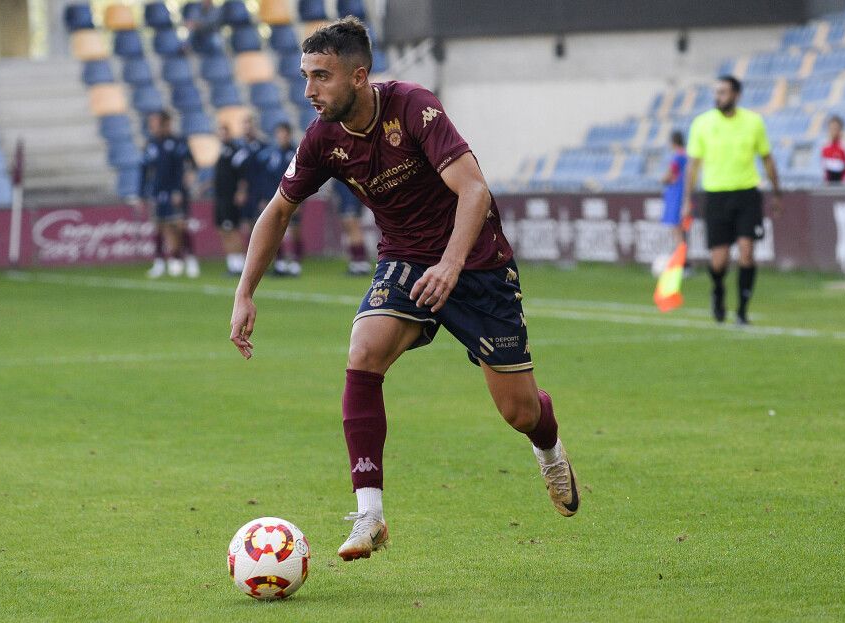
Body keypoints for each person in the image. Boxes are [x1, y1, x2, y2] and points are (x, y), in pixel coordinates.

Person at [229, 17, 579, 562]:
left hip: (477, 263)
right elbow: (277, 211)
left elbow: (475, 191)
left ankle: (548, 443)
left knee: (518, 411)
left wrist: (451, 264)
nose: (309, 92)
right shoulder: (323, 138)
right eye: (305, 77)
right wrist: (245, 292)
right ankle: (369, 515)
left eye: (321, 77)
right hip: (406, 262)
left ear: (359, 75)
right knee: (363, 353)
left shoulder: (415, 107)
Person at [682, 75, 782, 325]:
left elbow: (767, 158)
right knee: (719, 259)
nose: (719, 97)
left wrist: (777, 191)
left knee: (747, 252)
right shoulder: (702, 124)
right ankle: (718, 290)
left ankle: (742, 311)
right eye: (717, 92)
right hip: (716, 195)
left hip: (747, 193)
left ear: (736, 95)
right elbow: (693, 165)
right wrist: (687, 198)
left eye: (724, 92)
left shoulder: (753, 122)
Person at [138, 110, 200, 278]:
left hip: (176, 191)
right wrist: (141, 194)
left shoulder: (178, 142)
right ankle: (160, 262)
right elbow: (144, 170)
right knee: (159, 227)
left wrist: (182, 186)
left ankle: (190, 260)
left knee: (179, 226)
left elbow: (191, 164)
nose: (152, 126)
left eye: (155, 123)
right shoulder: (151, 144)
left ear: (166, 123)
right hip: (158, 192)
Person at [255, 122, 302, 276]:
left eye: (284, 133)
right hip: (273, 198)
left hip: (293, 198)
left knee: (293, 229)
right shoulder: (271, 154)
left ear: (289, 135)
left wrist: (301, 199)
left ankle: (295, 261)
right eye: (279, 133)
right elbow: (265, 178)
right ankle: (280, 262)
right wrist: (264, 198)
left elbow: (303, 178)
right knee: (275, 230)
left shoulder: (297, 153)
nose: (281, 137)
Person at [213, 124, 249, 275]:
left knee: (232, 230)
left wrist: (241, 191)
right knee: (223, 230)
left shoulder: (236, 152)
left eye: (225, 133)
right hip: (220, 197)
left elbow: (242, 174)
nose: (223, 136)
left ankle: (241, 265)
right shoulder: (222, 152)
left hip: (229, 197)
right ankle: (232, 264)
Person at [334, 179, 371, 275]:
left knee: (352, 222)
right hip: (342, 183)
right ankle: (355, 262)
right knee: (347, 224)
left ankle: (361, 261)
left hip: (351, 182)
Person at [659, 130, 688, 252]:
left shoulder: (677, 156)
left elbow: (670, 175)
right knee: (681, 229)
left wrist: (663, 179)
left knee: (677, 229)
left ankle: (682, 263)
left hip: (676, 193)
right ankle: (683, 261)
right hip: (683, 192)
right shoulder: (687, 155)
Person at [820, 115, 845, 184]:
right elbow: (825, 170)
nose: (833, 131)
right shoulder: (825, 148)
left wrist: (843, 183)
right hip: (830, 188)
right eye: (831, 129)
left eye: (835, 129)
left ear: (840, 130)